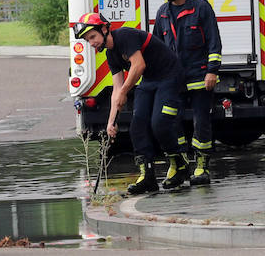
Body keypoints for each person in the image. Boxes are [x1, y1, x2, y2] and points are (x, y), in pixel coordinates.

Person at [75, 12, 188, 193]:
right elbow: (116, 91)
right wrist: (111, 122)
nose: (92, 43)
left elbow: (138, 65)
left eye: (93, 37)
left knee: (159, 123)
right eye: (88, 40)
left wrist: (124, 92)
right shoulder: (111, 55)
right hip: (150, 80)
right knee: (137, 125)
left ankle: (179, 165)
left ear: (104, 29)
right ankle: (147, 176)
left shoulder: (125, 36)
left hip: (170, 76)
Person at [151, 0, 221, 187]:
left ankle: (201, 166)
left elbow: (214, 43)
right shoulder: (162, 13)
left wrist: (212, 71)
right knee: (171, 123)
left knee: (202, 121)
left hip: (200, 76)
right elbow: (156, 48)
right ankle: (179, 165)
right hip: (173, 80)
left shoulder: (201, 7)